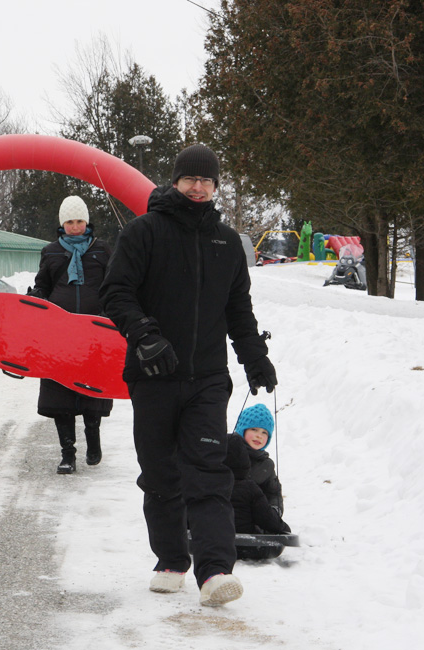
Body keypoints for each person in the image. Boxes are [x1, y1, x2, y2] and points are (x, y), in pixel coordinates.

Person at [100, 144, 277, 607]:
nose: (198, 188)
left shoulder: (226, 243)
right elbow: (116, 292)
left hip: (206, 379)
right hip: (153, 375)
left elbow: (239, 310)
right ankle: (172, 559)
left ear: (216, 186)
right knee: (161, 474)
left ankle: (215, 570)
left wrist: (254, 357)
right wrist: (144, 334)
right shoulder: (144, 232)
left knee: (208, 472)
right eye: (190, 179)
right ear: (174, 181)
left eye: (207, 181)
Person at [29, 196, 113, 474]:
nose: (75, 226)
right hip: (60, 336)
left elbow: (114, 286)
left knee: (92, 392)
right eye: (69, 222)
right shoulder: (51, 252)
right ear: (62, 224)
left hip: (94, 334)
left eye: (79, 221)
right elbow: (43, 285)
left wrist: (107, 312)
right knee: (61, 397)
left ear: (86, 222)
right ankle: (67, 453)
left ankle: (93, 440)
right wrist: (35, 298)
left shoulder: (102, 250)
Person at [224, 434, 290, 558]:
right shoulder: (250, 488)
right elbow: (267, 518)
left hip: (213, 542)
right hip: (247, 545)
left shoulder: (210, 485)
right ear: (244, 460)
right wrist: (283, 528)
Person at [233, 403, 284, 513]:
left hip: (251, 518)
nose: (259, 435)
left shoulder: (266, 465)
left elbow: (274, 493)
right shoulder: (227, 452)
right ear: (242, 429)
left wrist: (275, 510)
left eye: (264, 432)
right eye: (254, 429)